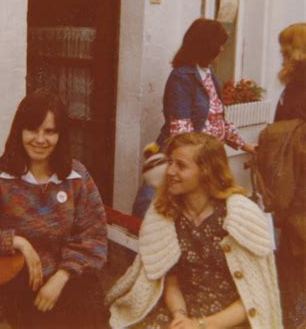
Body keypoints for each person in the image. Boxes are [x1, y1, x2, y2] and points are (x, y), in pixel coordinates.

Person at [0, 90, 109, 329]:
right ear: (19, 131)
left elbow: (94, 238)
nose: (40, 139)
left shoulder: (77, 177)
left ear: (60, 135)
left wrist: (62, 277)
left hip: (70, 280)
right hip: (19, 284)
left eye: (50, 131)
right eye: (32, 129)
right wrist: (16, 242)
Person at [108, 132, 283, 329]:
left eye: (181, 165)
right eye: (170, 162)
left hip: (231, 319)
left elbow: (255, 295)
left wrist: (201, 325)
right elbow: (169, 279)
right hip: (180, 310)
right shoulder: (164, 213)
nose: (170, 171)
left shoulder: (240, 215)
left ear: (207, 171)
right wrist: (180, 317)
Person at [133, 18, 256, 218]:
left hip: (203, 160)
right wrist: (191, 165)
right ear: (206, 45)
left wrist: (244, 145)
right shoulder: (181, 77)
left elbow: (218, 120)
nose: (223, 50)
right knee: (154, 210)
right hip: (185, 159)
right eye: (220, 44)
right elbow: (181, 130)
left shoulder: (210, 75)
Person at [256, 23, 306, 329]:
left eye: (283, 47)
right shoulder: (296, 82)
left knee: (294, 252)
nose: (280, 53)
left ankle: (295, 317)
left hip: (298, 182)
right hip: (296, 180)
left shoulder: (300, 82)